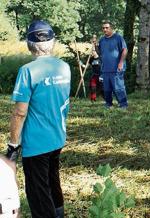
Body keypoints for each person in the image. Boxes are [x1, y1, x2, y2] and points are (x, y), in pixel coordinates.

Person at [6, 20, 70, 218]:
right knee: (52, 180)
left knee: (38, 192)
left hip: (36, 143)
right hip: (57, 137)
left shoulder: (27, 71)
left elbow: (19, 113)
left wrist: (13, 146)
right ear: (53, 42)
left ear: (29, 44)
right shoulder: (64, 67)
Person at [98, 21, 128, 109]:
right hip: (105, 68)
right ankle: (108, 104)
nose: (105, 29)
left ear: (111, 28)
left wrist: (121, 63)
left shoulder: (118, 38)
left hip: (116, 68)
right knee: (106, 89)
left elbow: (125, 50)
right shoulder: (102, 40)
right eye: (103, 28)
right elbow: (99, 53)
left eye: (107, 28)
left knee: (118, 87)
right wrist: (95, 46)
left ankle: (123, 104)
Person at [89, 35, 101, 102]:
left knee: (102, 88)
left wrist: (94, 42)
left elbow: (96, 47)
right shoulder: (91, 59)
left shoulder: (101, 58)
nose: (93, 52)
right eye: (92, 51)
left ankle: (107, 98)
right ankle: (93, 98)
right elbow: (86, 66)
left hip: (101, 75)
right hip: (94, 75)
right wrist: (81, 63)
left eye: (94, 51)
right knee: (92, 87)